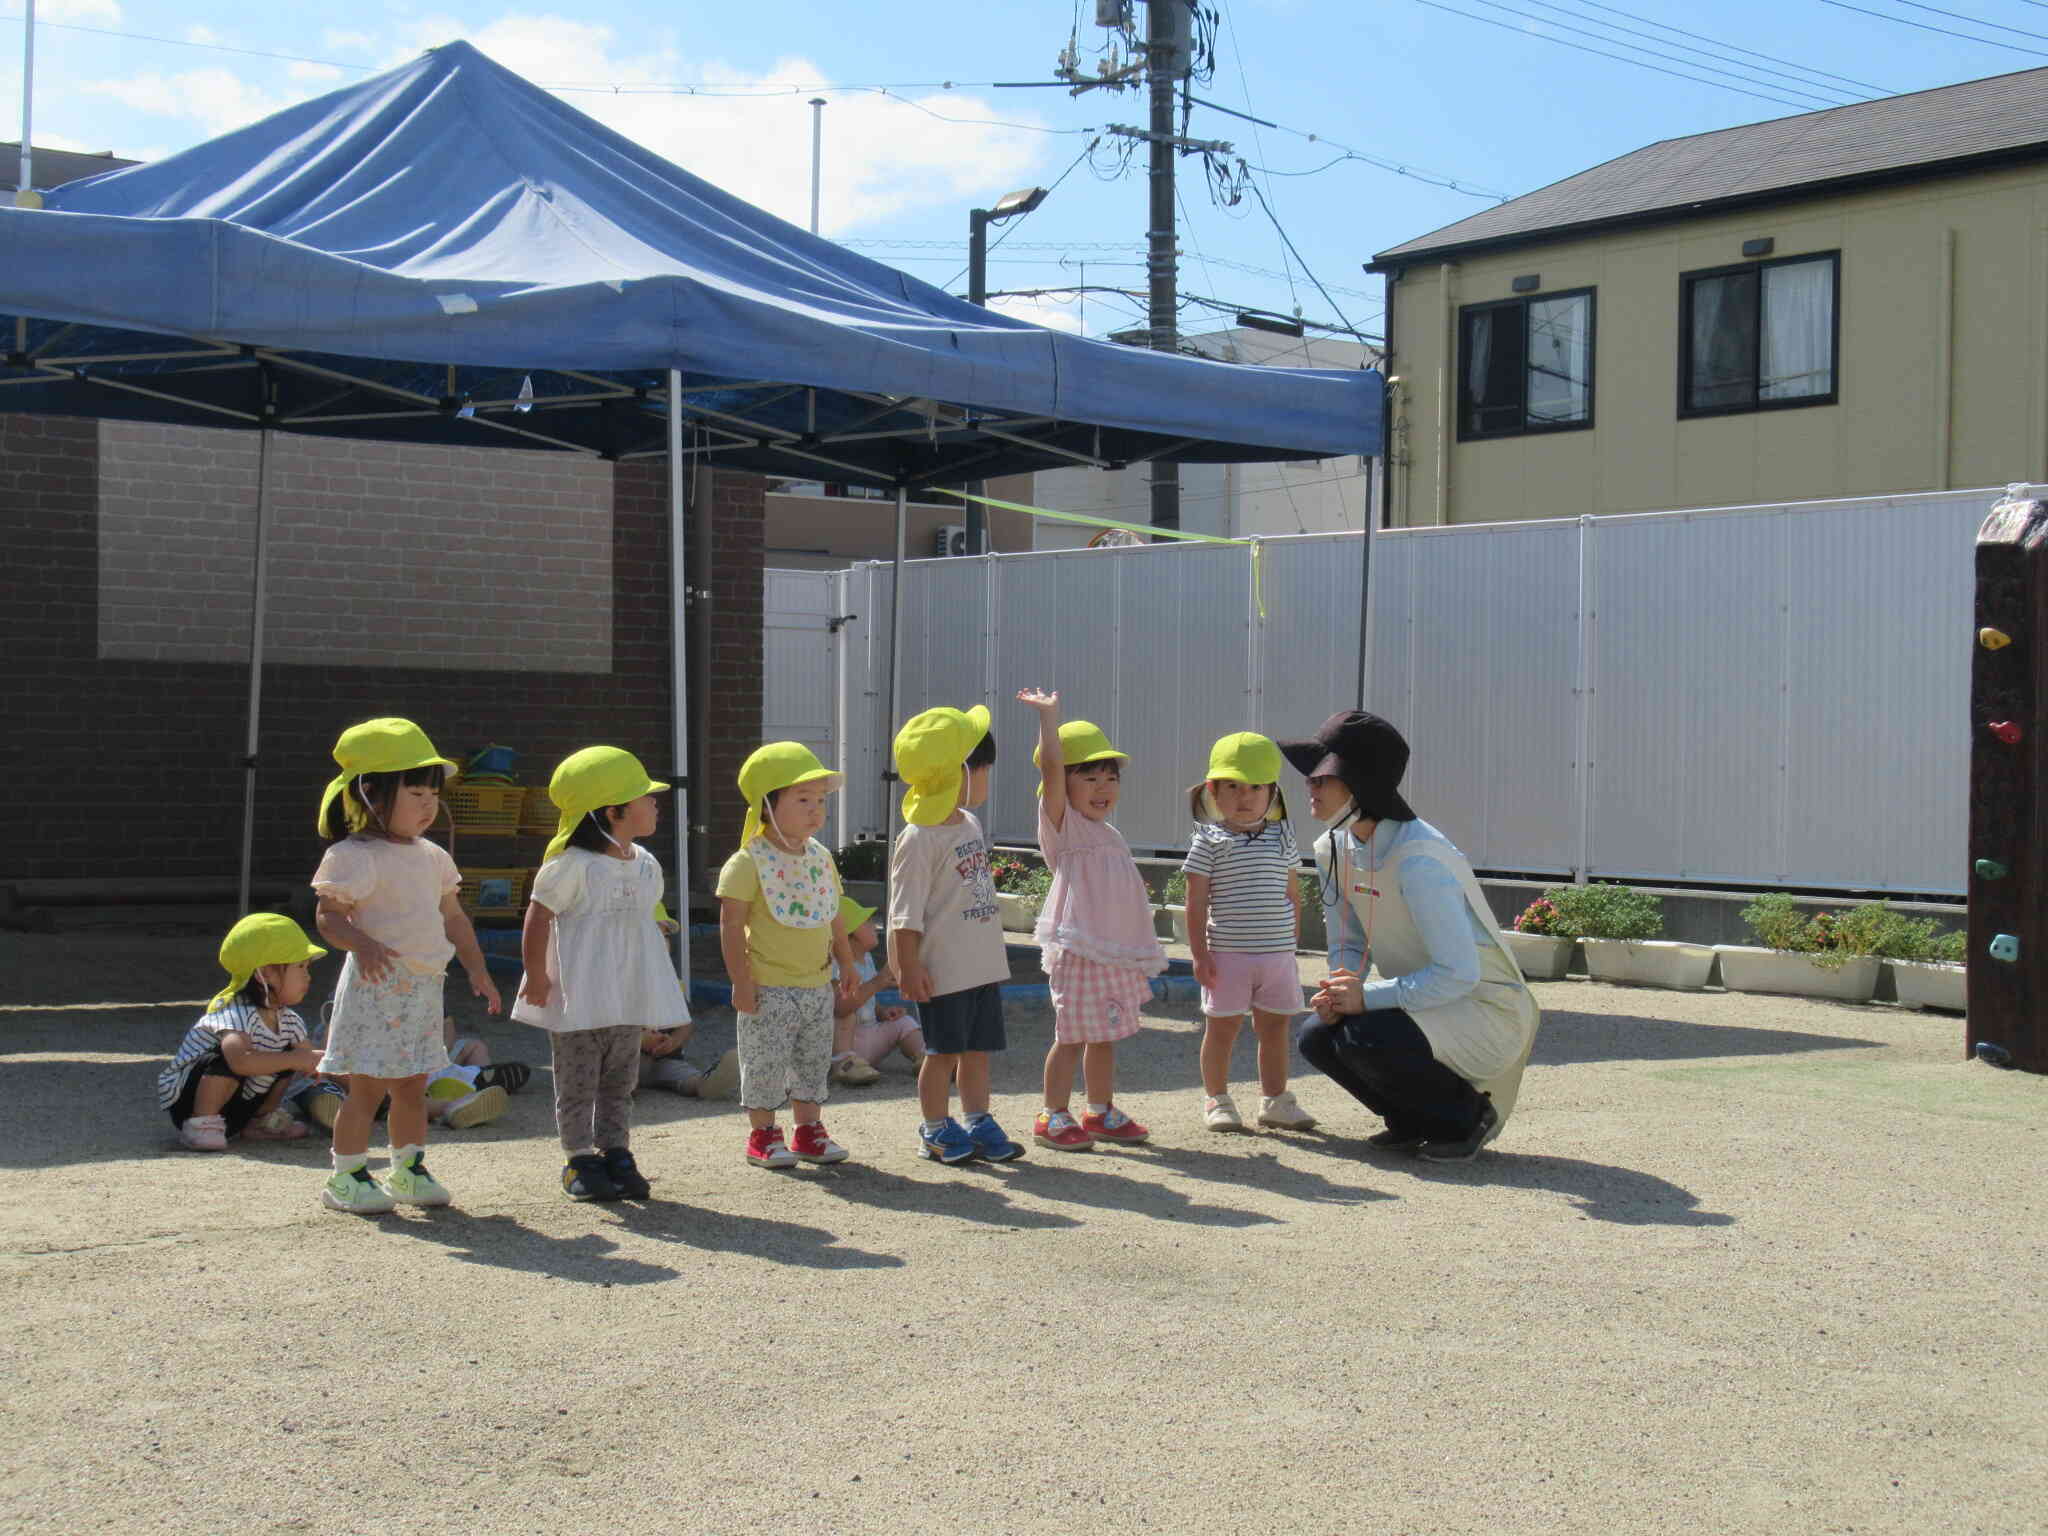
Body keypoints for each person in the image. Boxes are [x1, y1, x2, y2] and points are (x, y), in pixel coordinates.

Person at [1281, 711, 1540, 1162]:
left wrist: (1365, 998)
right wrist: (1341, 986)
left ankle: (1467, 1117)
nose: (1310, 787)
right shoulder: (1332, 847)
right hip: (1427, 1001)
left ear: (1359, 784)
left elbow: (1458, 975)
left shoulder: (1421, 860)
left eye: (1323, 778)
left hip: (1484, 1009)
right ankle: (1410, 1120)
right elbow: (1347, 933)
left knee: (1366, 1035)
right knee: (1317, 1036)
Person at [312, 718, 502, 1215]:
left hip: (422, 988)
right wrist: (362, 943)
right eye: (415, 792)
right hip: (375, 988)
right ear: (370, 793)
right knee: (368, 1087)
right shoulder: (351, 855)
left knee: (414, 1085)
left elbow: (454, 919)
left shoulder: (433, 856)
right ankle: (347, 1176)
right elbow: (327, 917)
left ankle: (408, 1168)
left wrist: (478, 969)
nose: (428, 804)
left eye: (431, 794)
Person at [513, 746, 687, 1201]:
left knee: (620, 1079)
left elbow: (641, 921)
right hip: (580, 996)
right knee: (577, 1080)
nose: (654, 803)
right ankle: (578, 1157)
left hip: (625, 996)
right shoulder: (572, 866)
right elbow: (538, 916)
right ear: (613, 811)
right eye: (644, 797)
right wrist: (536, 974)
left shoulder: (646, 864)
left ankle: (616, 1150)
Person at [1019, 687, 1167, 1151]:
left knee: (1106, 1034)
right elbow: (1049, 768)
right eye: (1090, 778)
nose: (1104, 788)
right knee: (1071, 1036)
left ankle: (1099, 1111)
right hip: (1079, 950)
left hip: (1113, 952)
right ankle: (1053, 1114)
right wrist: (1050, 718)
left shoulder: (1110, 835)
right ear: (1062, 784)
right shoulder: (1063, 826)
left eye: (1110, 778)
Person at [889, 706, 1022, 1163]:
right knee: (942, 1053)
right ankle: (933, 1127)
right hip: (942, 970)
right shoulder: (919, 838)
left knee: (978, 1050)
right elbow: (903, 912)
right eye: (984, 768)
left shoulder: (967, 822)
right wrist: (906, 965)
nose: (987, 778)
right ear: (961, 772)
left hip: (980, 965)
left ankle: (977, 1119)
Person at [716, 742, 858, 1169]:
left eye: (820, 801)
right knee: (764, 1064)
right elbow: (729, 925)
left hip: (817, 985)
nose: (816, 810)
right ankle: (762, 1134)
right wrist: (741, 981)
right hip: (768, 988)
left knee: (813, 1061)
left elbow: (833, 915)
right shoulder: (747, 862)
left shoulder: (821, 858)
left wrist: (847, 962)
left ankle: (808, 1131)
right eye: (802, 800)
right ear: (766, 805)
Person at [1182, 732, 1317, 1134]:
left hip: (1277, 957)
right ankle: (1217, 1099)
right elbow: (1195, 902)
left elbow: (1292, 892)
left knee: (1274, 1028)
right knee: (1222, 1029)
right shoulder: (1207, 840)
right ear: (1213, 791)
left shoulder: (1283, 836)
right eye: (1233, 786)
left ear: (1272, 791)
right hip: (1228, 956)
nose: (1246, 796)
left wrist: (1291, 945)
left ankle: (1275, 1100)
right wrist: (1199, 954)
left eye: (1256, 786)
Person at [159, 913, 326, 1150]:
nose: (308, 976)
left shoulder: (289, 1020)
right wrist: (297, 1058)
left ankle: (260, 1121)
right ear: (265, 973)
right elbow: (239, 1062)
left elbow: (309, 1057)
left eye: (308, 968)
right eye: (301, 966)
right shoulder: (235, 1012)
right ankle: (200, 1124)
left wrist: (322, 1066)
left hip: (239, 1106)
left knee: (288, 1056)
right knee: (226, 1057)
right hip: (189, 1104)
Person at [829, 898, 915, 1087]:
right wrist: (879, 981)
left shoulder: (866, 958)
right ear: (847, 934)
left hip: (869, 1037)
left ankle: (924, 1056)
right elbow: (841, 1008)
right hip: (845, 1043)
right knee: (847, 1015)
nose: (873, 925)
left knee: (904, 1022)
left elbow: (868, 1000)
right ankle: (843, 1063)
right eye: (866, 922)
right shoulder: (835, 964)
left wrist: (882, 1012)